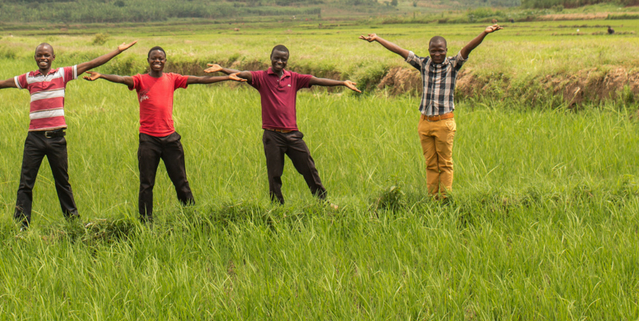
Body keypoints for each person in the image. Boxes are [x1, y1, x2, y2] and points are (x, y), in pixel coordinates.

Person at [0, 40, 137, 227]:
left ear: (53, 58)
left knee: (62, 182)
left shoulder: (63, 74)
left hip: (56, 139)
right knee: (26, 183)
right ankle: (21, 225)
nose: (43, 58)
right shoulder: (29, 78)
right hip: (34, 139)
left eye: (47, 55)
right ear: (35, 58)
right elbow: (2, 83)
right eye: (39, 55)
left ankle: (73, 222)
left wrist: (117, 51)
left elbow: (92, 63)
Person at [83, 46, 242, 220]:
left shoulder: (172, 79)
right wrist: (103, 76)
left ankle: (192, 217)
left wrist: (226, 77)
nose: (157, 61)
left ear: (165, 61)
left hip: (170, 140)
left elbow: (198, 79)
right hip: (148, 140)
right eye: (154, 58)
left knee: (181, 181)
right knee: (146, 184)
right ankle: (145, 221)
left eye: (161, 58)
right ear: (148, 61)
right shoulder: (141, 80)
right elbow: (123, 79)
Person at [205, 45, 360, 204]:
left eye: (283, 59)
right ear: (271, 58)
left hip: (293, 135)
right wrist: (223, 69)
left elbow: (317, 80)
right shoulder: (261, 77)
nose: (279, 61)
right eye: (276, 58)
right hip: (272, 136)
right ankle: (277, 207)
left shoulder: (294, 78)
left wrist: (342, 82)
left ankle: (323, 201)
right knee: (274, 174)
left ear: (287, 61)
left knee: (309, 168)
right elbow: (243, 74)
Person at [360, 25, 501, 198]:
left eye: (440, 51)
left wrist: (485, 33)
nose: (437, 54)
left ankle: (445, 197)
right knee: (430, 163)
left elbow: (468, 48)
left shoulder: (453, 65)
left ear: (446, 50)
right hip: (425, 122)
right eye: (433, 51)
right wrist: (377, 38)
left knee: (445, 163)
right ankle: (432, 197)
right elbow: (400, 51)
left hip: (444, 122)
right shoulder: (423, 64)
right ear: (429, 51)